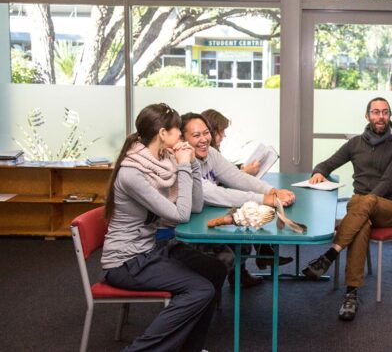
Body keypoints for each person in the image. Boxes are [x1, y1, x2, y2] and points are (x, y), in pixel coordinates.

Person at [101, 103, 228, 352]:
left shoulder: (161, 161)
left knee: (215, 268)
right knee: (199, 290)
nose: (182, 138)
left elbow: (196, 207)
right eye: (178, 133)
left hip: (151, 249)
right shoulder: (133, 173)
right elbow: (180, 215)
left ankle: (189, 347)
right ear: (162, 134)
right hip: (126, 261)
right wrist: (183, 165)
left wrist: (190, 164)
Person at [302, 97, 392, 321]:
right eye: (376, 112)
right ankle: (351, 294)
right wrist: (318, 172)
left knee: (366, 201)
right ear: (367, 116)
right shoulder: (355, 143)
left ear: (389, 116)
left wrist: (368, 200)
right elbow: (327, 163)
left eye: (385, 112)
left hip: (387, 208)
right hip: (361, 210)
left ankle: (330, 254)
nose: (381, 116)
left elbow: (388, 182)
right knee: (361, 228)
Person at [181, 112, 296, 289]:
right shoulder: (182, 162)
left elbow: (236, 177)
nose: (204, 139)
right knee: (231, 252)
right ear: (183, 139)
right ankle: (201, 296)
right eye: (196, 135)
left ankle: (232, 281)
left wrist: (271, 190)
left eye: (206, 133)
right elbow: (215, 194)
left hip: (207, 219)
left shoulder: (210, 153)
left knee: (243, 240)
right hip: (186, 232)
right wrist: (265, 199)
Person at [202, 108, 260, 176]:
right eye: (221, 131)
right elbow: (215, 182)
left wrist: (239, 168)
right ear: (211, 132)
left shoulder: (214, 155)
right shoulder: (199, 161)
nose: (224, 135)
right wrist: (244, 173)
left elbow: (222, 170)